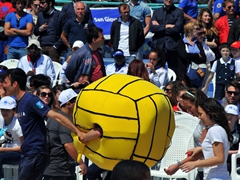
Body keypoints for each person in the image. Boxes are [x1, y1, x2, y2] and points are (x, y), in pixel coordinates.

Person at [2, 68, 88, 179]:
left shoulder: (31, 100)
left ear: (15, 84)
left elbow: (57, 116)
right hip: (28, 152)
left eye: (5, 82)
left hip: (36, 152)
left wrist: (78, 132)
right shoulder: (19, 103)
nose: (3, 85)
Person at [179, 98, 232, 180]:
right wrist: (201, 148)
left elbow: (219, 158)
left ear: (210, 113)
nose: (199, 117)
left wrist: (195, 164)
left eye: (201, 114)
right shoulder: (218, 129)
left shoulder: (214, 130)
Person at [43, 88, 87, 179]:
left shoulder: (56, 117)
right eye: (76, 101)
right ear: (68, 104)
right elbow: (67, 144)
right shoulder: (64, 121)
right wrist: (81, 163)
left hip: (55, 169)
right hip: (59, 170)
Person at [165, 88, 208, 180]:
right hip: (202, 170)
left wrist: (178, 165)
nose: (188, 111)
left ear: (197, 104)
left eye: (189, 107)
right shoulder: (202, 121)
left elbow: (202, 151)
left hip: (207, 171)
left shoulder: (206, 123)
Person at [150, 0, 184, 73]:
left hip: (173, 46)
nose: (168, 0)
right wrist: (166, 26)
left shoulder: (179, 12)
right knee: (156, 70)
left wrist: (159, 28)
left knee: (174, 71)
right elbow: (152, 28)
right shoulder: (156, 12)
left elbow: (177, 29)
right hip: (158, 46)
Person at [177, 21, 206, 88]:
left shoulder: (198, 43)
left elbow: (203, 58)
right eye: (196, 29)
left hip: (197, 74)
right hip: (184, 73)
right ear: (190, 30)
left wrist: (190, 57)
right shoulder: (181, 42)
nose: (198, 31)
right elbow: (184, 56)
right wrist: (197, 55)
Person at [0, 96, 23, 179]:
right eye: (2, 109)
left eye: (7, 110)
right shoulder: (2, 119)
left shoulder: (18, 125)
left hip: (18, 154)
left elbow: (24, 147)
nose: (4, 112)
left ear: (14, 110)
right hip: (5, 149)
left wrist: (5, 150)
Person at [224, 104, 240, 173]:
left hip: (237, 161)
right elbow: (220, 150)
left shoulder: (239, 129)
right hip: (224, 161)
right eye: (227, 114)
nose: (229, 117)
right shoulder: (220, 129)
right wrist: (236, 152)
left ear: (236, 118)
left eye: (232, 115)